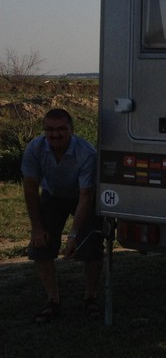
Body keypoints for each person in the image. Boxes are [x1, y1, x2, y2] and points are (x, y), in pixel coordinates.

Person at [22, 108, 104, 322]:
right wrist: (37, 228)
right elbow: (30, 190)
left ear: (71, 130)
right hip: (53, 195)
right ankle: (52, 300)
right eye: (49, 129)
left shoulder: (87, 153)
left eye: (61, 129)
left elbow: (86, 195)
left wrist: (74, 235)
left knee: (92, 244)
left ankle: (90, 297)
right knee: (41, 246)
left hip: (82, 196)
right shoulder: (35, 148)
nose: (55, 135)